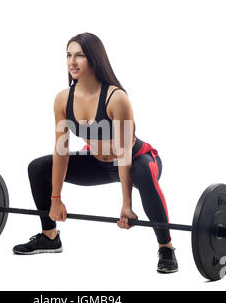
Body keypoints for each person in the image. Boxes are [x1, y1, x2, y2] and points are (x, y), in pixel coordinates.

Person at [13, 32, 178, 273]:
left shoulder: (116, 98)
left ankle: (166, 247)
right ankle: (49, 236)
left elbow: (123, 153)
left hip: (136, 160)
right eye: (68, 55)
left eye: (79, 55)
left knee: (142, 170)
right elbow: (62, 152)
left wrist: (126, 205)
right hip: (98, 164)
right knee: (38, 168)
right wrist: (55, 199)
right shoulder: (62, 100)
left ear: (94, 58)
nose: (72, 61)